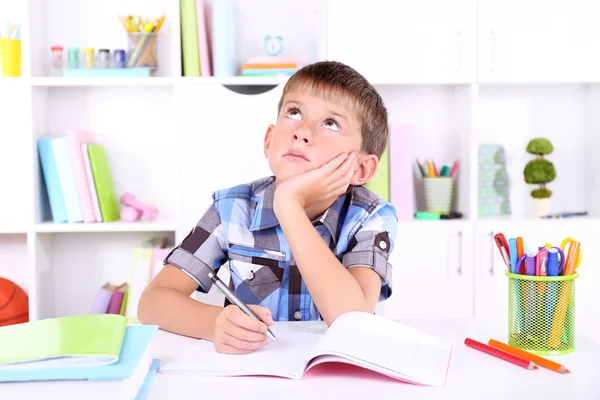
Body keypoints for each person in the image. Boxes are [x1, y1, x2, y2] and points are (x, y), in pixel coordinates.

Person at [138, 61, 398, 355]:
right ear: (269, 140)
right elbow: (152, 302)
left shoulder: (371, 217)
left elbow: (353, 320)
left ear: (361, 169)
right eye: (294, 112)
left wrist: (289, 205)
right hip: (253, 371)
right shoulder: (231, 208)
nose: (302, 132)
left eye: (330, 123)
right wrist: (213, 324)